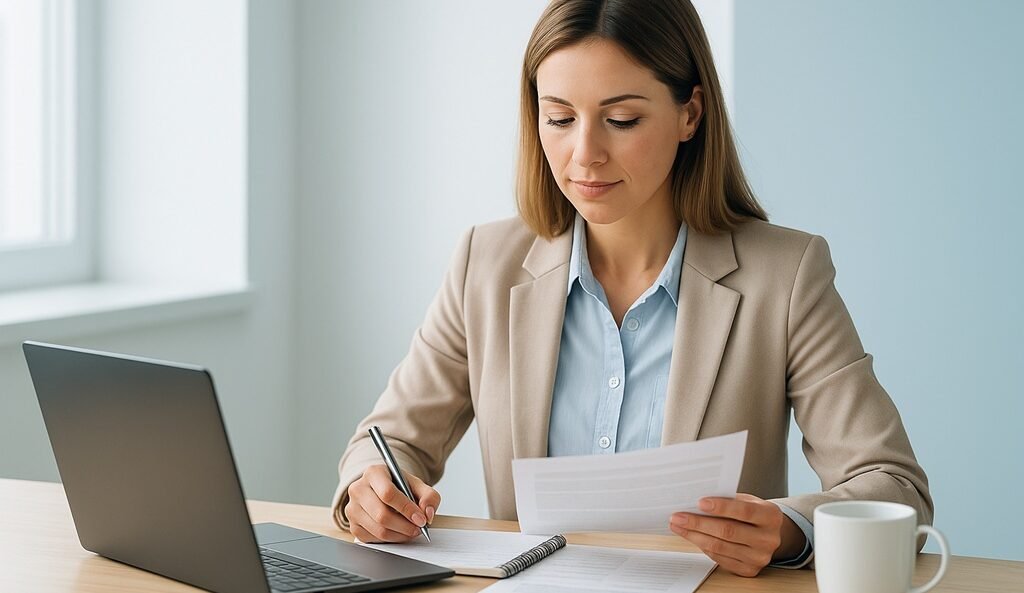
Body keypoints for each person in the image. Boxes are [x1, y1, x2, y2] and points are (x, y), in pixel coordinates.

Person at [330, 0, 932, 577]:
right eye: (559, 118)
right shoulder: (484, 264)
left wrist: (789, 530)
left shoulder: (786, 274)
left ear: (690, 114)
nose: (584, 153)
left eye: (622, 120)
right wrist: (371, 490)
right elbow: (387, 444)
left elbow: (894, 485)